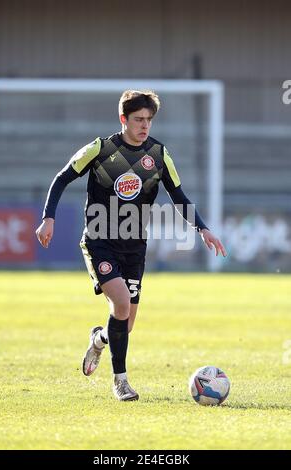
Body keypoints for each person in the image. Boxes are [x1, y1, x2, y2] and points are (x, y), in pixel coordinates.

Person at [36, 90, 226, 402]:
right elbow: (61, 178)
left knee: (126, 322)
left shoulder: (158, 154)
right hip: (99, 240)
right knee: (122, 305)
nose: (145, 125)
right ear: (124, 119)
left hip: (134, 246)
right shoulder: (101, 148)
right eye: (138, 119)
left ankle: (99, 339)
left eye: (149, 120)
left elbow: (178, 196)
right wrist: (48, 218)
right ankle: (121, 383)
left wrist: (203, 229)